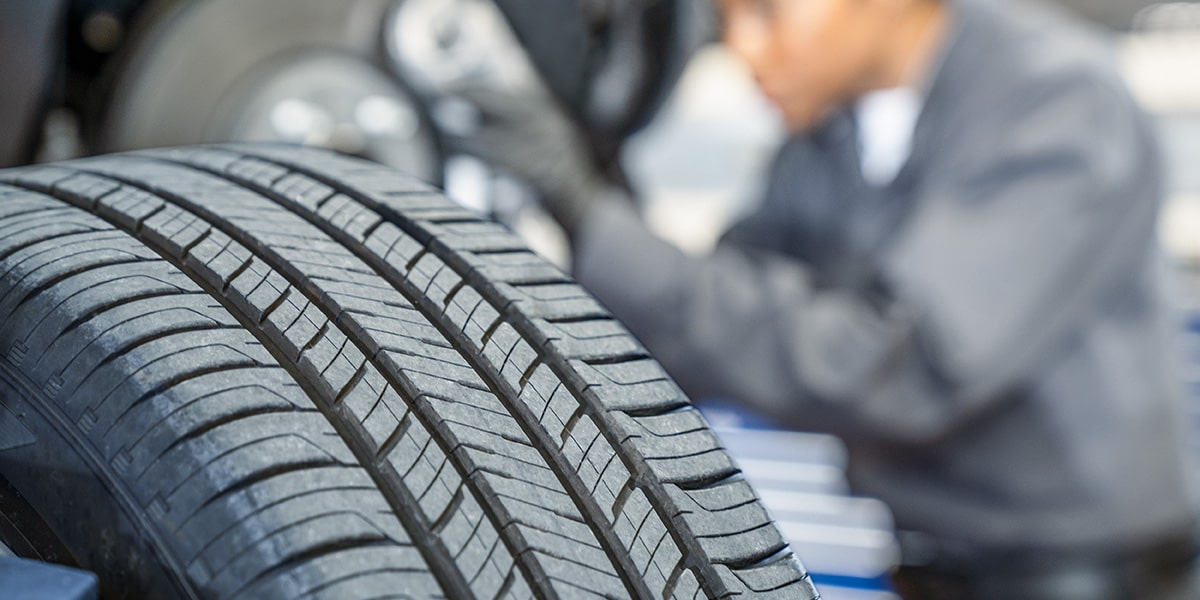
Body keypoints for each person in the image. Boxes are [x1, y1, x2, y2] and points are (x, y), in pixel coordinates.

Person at [451, 0, 1200, 597]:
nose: (743, 49)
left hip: (1079, 575)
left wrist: (589, 216)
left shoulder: (1056, 102)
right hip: (926, 560)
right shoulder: (831, 126)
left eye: (769, 12)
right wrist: (592, 194)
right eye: (726, 19)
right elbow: (719, 309)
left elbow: (902, 369)